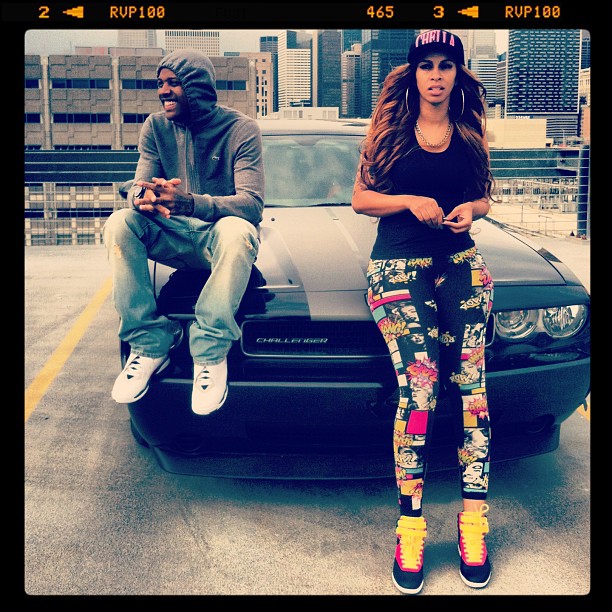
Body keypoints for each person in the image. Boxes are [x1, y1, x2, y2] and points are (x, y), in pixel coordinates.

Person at [351, 30, 495, 595]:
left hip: (460, 263)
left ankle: (473, 523)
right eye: (427, 65)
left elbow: (484, 196)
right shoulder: (389, 131)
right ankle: (410, 526)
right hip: (397, 267)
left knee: (472, 389)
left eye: (446, 66)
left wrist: (471, 211)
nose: (436, 75)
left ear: (458, 74)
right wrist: (409, 201)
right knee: (421, 388)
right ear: (412, 73)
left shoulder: (469, 131)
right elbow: (361, 199)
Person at [103, 49, 264, 416]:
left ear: (197, 87)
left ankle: (209, 353)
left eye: (173, 82)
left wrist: (190, 203)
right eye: (160, 83)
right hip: (172, 235)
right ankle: (149, 344)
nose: (163, 91)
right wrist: (140, 197)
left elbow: (252, 203)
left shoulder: (241, 129)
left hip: (217, 237)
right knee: (119, 223)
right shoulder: (155, 127)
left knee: (239, 230)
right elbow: (140, 184)